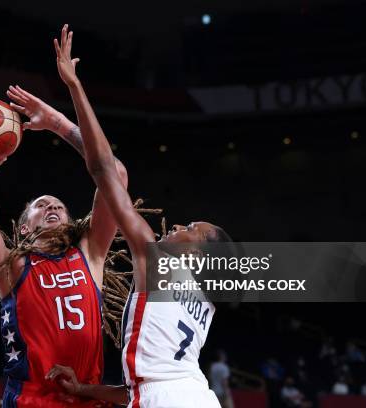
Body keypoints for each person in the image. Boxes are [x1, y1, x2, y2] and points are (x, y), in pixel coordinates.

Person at [45, 24, 229, 408]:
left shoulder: (158, 260)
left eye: (191, 229)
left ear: (195, 256)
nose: (178, 225)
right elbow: (147, 385)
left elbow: (103, 170)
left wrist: (73, 90)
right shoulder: (205, 300)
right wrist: (83, 391)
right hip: (196, 395)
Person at [0, 80, 128, 406]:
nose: (51, 207)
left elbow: (115, 175)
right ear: (24, 230)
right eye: (40, 205)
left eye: (58, 206)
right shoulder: (12, 266)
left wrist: (57, 123)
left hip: (86, 398)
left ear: (70, 221)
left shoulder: (90, 252)